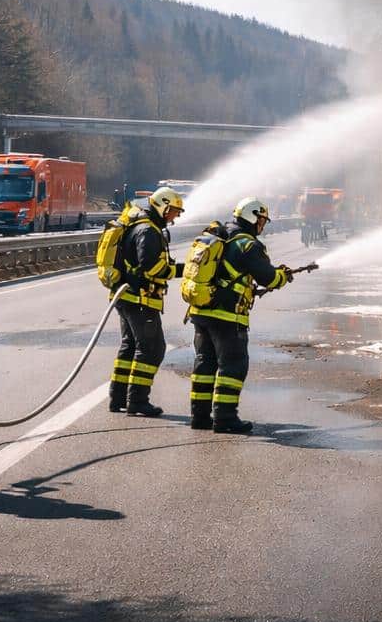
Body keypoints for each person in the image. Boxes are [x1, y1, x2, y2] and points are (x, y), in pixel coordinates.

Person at [186, 197, 292, 435]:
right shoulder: (248, 244)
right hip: (227, 316)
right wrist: (283, 276)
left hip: (201, 311)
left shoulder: (220, 235)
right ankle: (225, 418)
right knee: (233, 366)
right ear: (253, 218)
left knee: (205, 364)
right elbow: (269, 278)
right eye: (262, 220)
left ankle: (200, 417)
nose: (262, 226)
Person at [108, 186, 182, 416]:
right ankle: (137, 401)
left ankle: (118, 398)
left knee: (130, 346)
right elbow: (151, 267)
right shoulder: (148, 231)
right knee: (152, 348)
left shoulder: (142, 226)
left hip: (126, 297)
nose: (175, 216)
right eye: (173, 211)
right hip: (140, 299)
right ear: (163, 206)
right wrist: (181, 270)